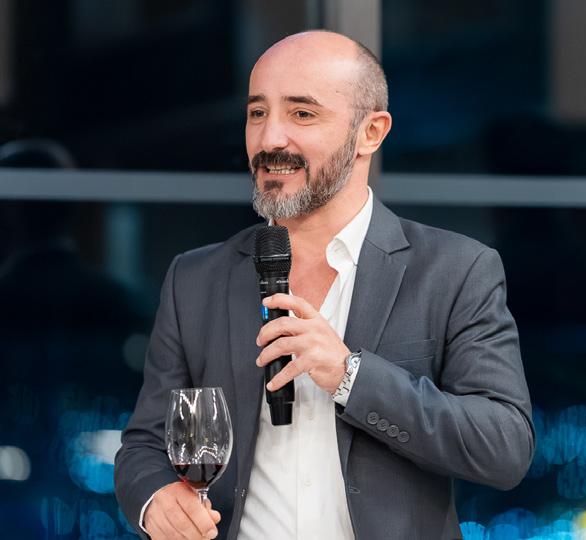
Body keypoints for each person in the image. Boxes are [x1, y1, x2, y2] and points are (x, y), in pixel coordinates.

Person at [115, 30, 534, 540]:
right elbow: (143, 446)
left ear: (370, 132)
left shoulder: (456, 270)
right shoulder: (195, 278)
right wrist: (156, 500)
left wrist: (350, 375)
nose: (270, 139)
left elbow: (504, 448)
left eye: (302, 113)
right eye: (257, 113)